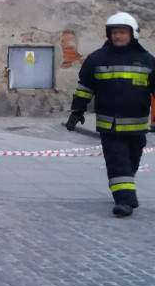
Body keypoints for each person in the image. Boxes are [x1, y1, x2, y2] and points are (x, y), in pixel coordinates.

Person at [66, 11, 155, 217]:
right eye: (114, 32)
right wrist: (77, 111)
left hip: (137, 127)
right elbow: (85, 87)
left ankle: (124, 186)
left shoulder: (147, 60)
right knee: (118, 162)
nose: (117, 36)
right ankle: (125, 201)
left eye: (122, 32)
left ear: (132, 34)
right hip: (110, 126)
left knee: (130, 163)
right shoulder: (97, 59)